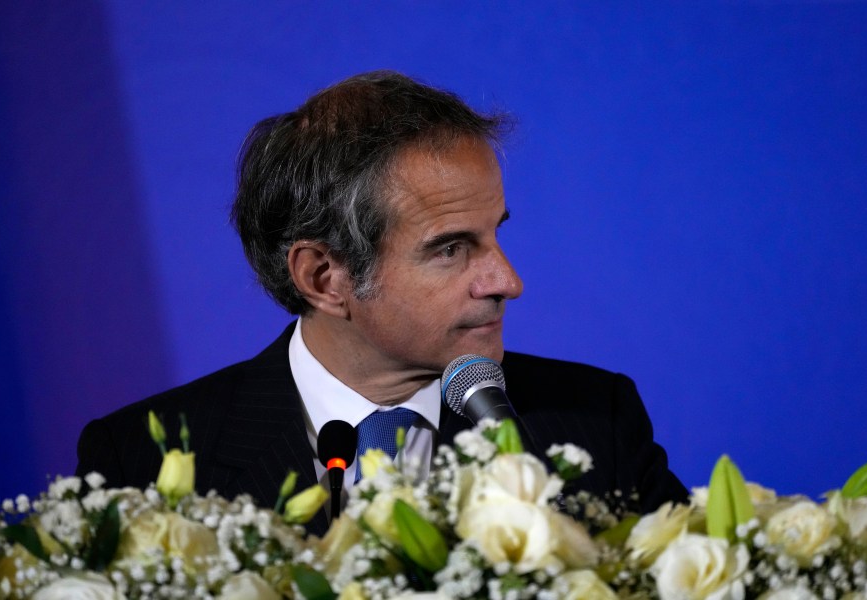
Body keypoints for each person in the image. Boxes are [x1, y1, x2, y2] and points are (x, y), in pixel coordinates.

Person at [76, 71, 687, 535]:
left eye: (496, 233)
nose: (506, 279)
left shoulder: (594, 422)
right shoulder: (141, 461)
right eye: (451, 249)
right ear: (324, 278)